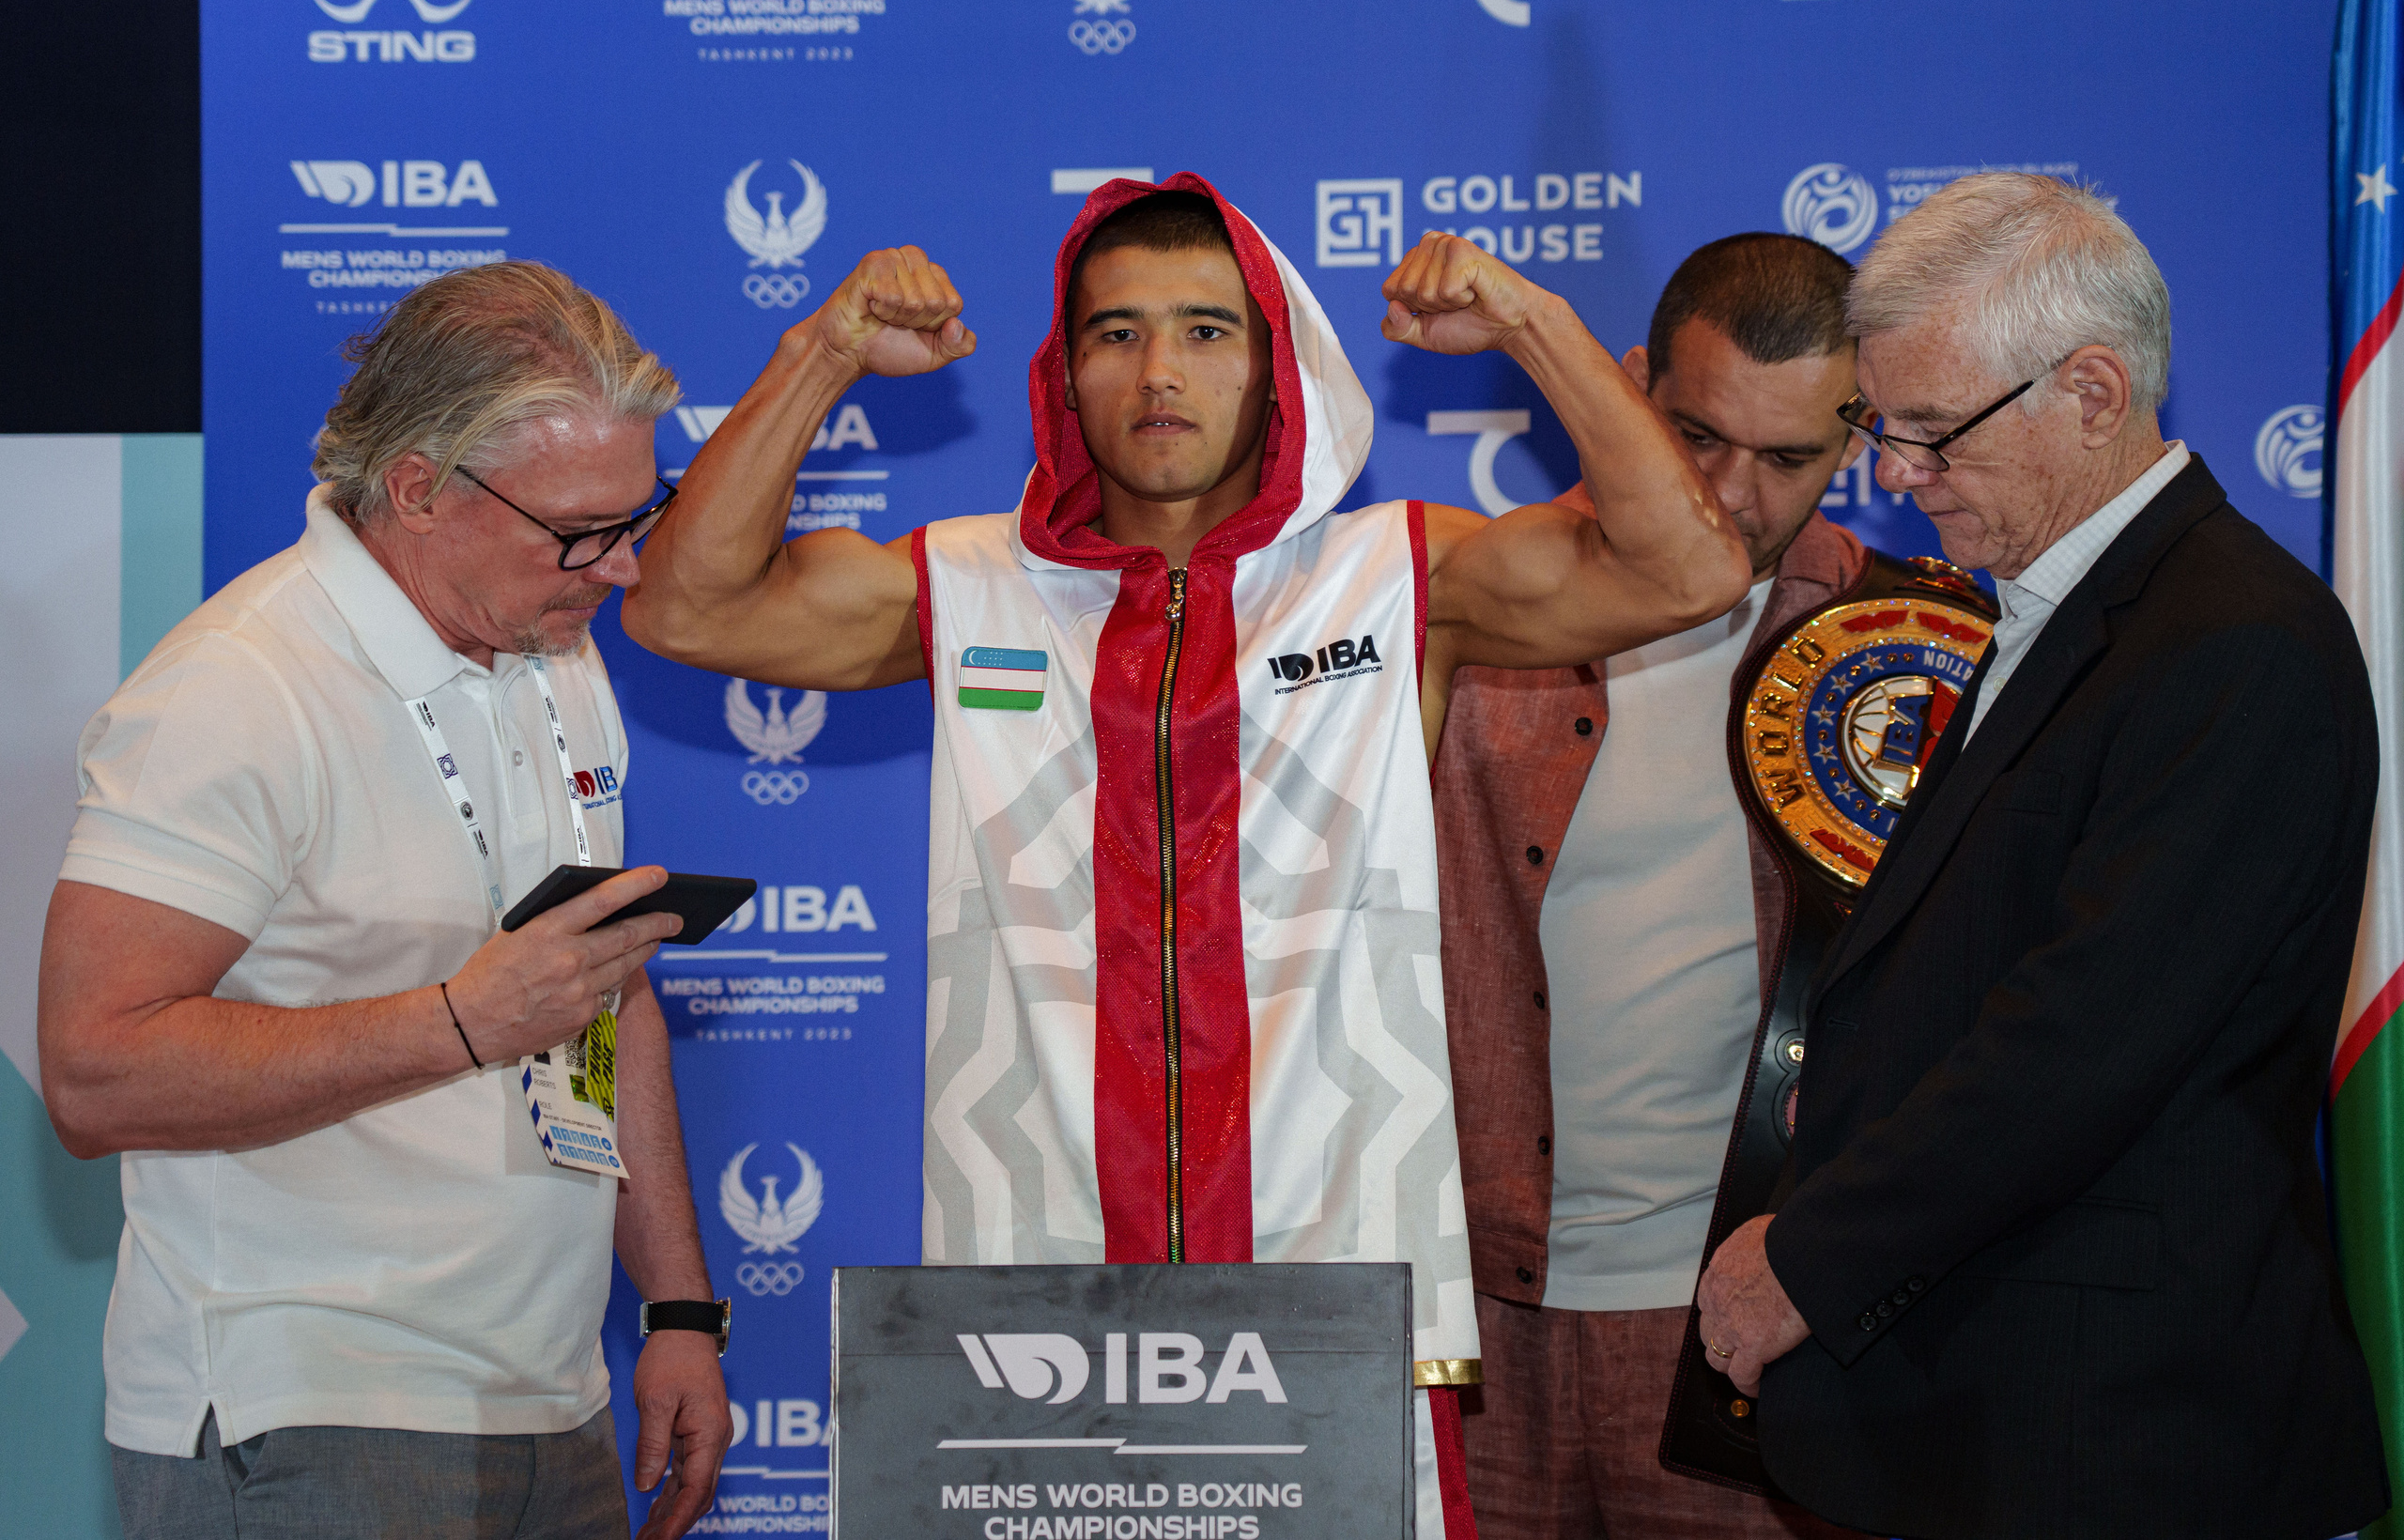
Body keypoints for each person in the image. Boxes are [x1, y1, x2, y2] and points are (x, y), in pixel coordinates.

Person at [624, 172, 1751, 1533]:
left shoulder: (1395, 578)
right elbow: (684, 607)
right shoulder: (972, 583)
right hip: (1030, 1317)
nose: (1161, 371)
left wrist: (1530, 318)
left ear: (1280, 372)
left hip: (1333, 1298)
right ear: (1064, 371)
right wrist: (824, 353)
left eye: (1209, 330)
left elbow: (1690, 571)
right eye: (1117, 333)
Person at [1695, 173, 2393, 1539]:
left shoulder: (2236, 643)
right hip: (2006, 1412)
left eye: (1934, 434)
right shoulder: (2070, 612)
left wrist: (1810, 1259)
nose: (1896, 477)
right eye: (1877, 430)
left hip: (2119, 1431)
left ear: (2090, 390)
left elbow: (2084, 1038)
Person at [39, 262, 733, 1540]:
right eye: (580, 530)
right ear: (419, 488)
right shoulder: (234, 692)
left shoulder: (553, 651)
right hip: (307, 1410)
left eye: (639, 515)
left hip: (550, 1399)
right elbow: (93, 1072)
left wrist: (680, 1311)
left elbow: (602, 995)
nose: (623, 568)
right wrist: (458, 1022)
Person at [1435, 232, 1893, 1539]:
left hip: (1747, 1324)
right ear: (1622, 387)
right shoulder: (1467, 612)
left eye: (1791, 456)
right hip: (1469, 1322)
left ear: (1855, 440)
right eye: (1694, 434)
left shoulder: (1906, 651)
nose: (1736, 497)